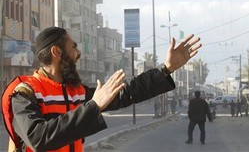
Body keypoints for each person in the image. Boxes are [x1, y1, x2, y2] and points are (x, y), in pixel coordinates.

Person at [1, 27, 202, 152]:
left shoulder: (75, 92)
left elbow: (127, 92)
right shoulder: (25, 93)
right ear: (57, 52)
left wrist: (166, 69)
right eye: (74, 47)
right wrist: (93, 106)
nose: (78, 53)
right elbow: (38, 138)